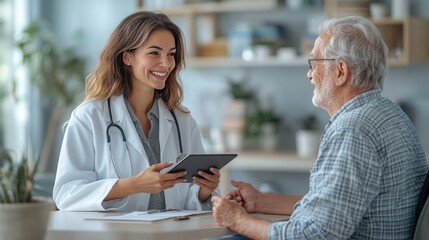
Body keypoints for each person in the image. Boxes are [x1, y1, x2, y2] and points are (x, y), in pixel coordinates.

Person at [212, 16, 428, 239]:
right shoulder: (389, 114)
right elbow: (335, 207)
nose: (309, 74)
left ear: (340, 72)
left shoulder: (353, 131)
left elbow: (315, 235)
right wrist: (261, 201)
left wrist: (237, 220)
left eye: (314, 63)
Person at [53, 11, 221, 211]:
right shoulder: (89, 117)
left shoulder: (182, 120)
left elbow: (193, 201)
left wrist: (205, 190)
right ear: (127, 57)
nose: (166, 63)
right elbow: (67, 194)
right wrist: (133, 185)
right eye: (154, 53)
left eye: (171, 54)